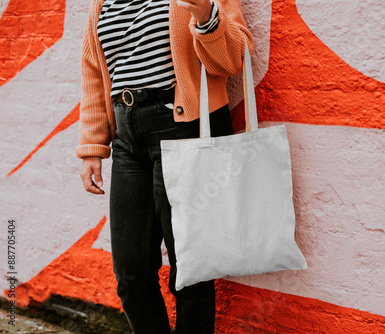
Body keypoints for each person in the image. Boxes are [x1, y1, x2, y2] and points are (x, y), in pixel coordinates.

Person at [76, 0, 253, 332]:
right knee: (130, 274)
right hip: (127, 138)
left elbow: (232, 59)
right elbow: (93, 71)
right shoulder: (101, 2)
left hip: (185, 129)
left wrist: (206, 16)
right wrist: (91, 146)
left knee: (190, 272)